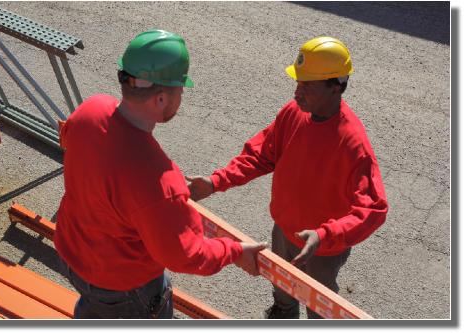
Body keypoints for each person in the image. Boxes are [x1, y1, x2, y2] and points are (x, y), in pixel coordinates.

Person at [54, 29, 266, 319]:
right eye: (181, 89)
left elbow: (70, 139)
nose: (182, 95)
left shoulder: (91, 109)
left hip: (72, 252)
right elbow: (185, 255)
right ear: (162, 99)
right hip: (121, 288)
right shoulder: (158, 183)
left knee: (92, 310)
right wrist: (237, 252)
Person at [186, 36, 388, 319]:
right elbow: (260, 155)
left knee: (320, 302)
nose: (297, 92)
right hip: (284, 229)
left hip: (323, 250)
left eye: (307, 86)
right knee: (281, 281)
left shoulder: (353, 145)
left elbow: (372, 210)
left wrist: (322, 236)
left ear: (336, 87)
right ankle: (283, 311)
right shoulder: (293, 113)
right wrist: (215, 182)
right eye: (298, 82)